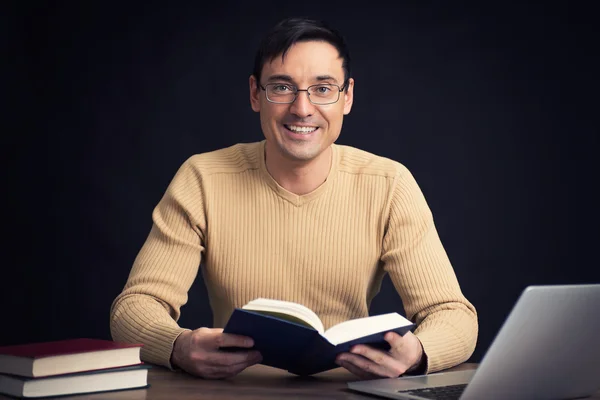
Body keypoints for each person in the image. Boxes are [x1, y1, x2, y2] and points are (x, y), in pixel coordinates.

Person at [110, 17, 478, 380]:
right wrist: (177, 346)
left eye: (322, 89)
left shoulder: (388, 183)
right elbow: (134, 309)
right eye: (282, 88)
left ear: (346, 96)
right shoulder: (203, 178)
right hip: (235, 391)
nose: (302, 109)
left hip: (351, 390)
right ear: (256, 94)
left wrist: (417, 353)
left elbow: (453, 314)